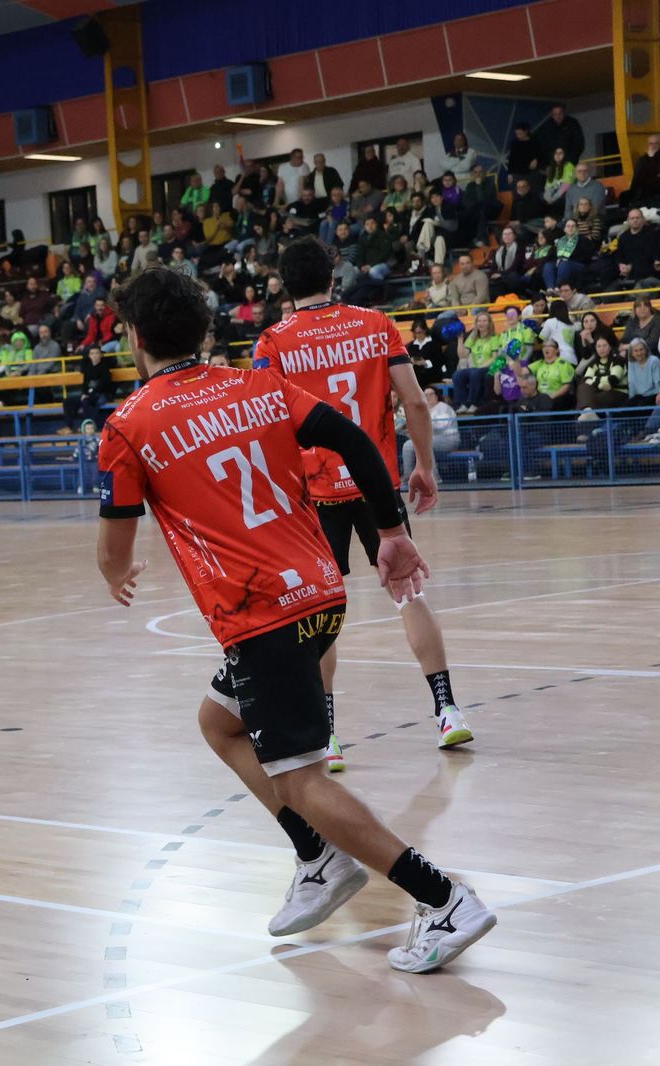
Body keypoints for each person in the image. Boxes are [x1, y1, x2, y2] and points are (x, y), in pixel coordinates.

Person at [97, 268, 497, 971]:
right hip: (320, 594)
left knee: (302, 779)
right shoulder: (258, 387)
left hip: (259, 614)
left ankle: (444, 900)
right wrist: (392, 530)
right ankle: (318, 857)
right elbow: (356, 438)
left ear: (134, 338)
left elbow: (116, 543)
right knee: (218, 722)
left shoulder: (130, 425)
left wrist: (113, 571)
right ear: (208, 330)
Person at [256, 239, 475, 769]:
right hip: (375, 484)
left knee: (320, 614)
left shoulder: (274, 340)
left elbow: (266, 422)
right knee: (408, 591)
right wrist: (423, 465)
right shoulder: (377, 324)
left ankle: (327, 735)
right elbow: (416, 400)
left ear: (284, 283)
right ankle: (448, 712)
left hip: (314, 494)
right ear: (334, 274)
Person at [403, 387, 458, 479]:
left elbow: (441, 426)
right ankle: (407, 477)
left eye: (430, 394)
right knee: (408, 445)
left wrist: (421, 426)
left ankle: (434, 478)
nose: (428, 397)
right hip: (432, 439)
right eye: (425, 395)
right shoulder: (424, 409)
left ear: (436, 396)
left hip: (448, 439)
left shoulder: (443, 407)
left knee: (424, 444)